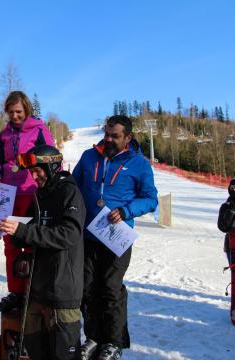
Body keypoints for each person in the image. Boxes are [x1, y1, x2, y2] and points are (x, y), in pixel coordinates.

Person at [72, 115, 158, 360]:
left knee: (110, 289)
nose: (108, 139)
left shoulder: (139, 164)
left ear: (128, 138)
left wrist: (127, 210)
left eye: (115, 136)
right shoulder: (89, 157)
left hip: (116, 237)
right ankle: (93, 337)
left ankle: (114, 342)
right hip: (88, 235)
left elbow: (151, 199)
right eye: (107, 134)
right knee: (87, 289)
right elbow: (74, 185)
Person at [0, 145, 85, 359]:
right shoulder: (39, 194)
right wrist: (10, 230)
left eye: (38, 170)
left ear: (52, 166)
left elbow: (69, 234)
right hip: (37, 290)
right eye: (31, 171)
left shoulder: (69, 192)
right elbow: (27, 229)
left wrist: (24, 230)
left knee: (64, 354)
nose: (34, 176)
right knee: (37, 351)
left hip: (62, 291)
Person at [0, 91, 55, 313]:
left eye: (18, 112)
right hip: (7, 194)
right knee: (11, 244)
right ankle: (16, 291)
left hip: (31, 192)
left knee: (31, 242)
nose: (15, 116)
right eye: (10, 112)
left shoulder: (39, 130)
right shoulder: (4, 135)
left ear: (26, 109)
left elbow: (52, 157)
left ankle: (33, 291)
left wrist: (54, 185)